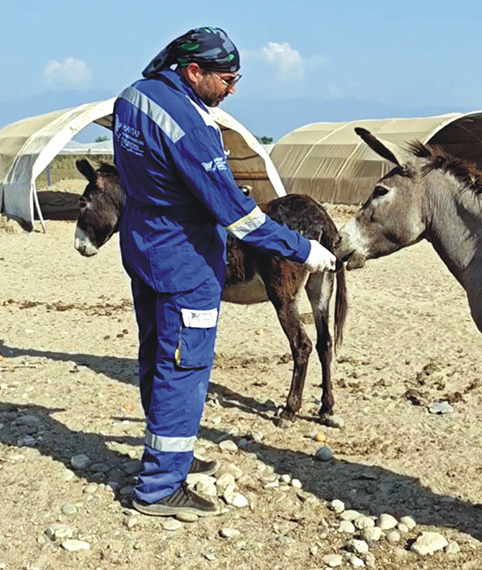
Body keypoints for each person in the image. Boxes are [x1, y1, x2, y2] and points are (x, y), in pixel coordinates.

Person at [112, 26, 337, 517]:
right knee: (184, 365)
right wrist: (302, 249)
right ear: (195, 72)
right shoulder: (192, 127)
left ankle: (170, 454)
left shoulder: (133, 97)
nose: (233, 89)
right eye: (228, 79)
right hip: (184, 261)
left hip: (144, 246)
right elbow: (238, 213)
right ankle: (158, 487)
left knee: (154, 352)